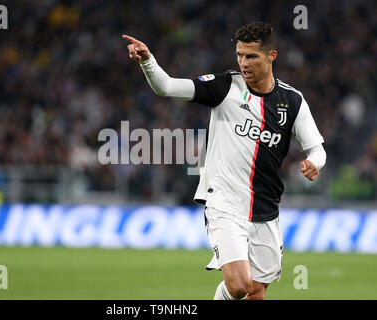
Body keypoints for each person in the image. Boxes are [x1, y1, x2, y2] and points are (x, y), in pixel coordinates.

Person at [122, 21, 326, 300]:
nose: (243, 62)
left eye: (251, 56)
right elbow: (167, 86)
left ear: (271, 56)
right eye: (240, 54)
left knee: (255, 292)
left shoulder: (292, 101)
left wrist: (315, 162)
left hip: (266, 209)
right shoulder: (225, 86)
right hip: (224, 202)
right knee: (239, 284)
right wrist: (148, 61)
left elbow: (317, 148)